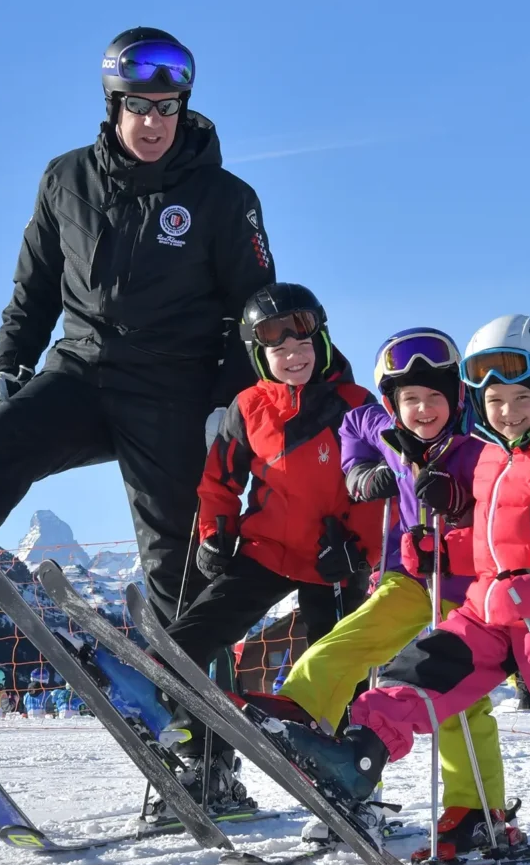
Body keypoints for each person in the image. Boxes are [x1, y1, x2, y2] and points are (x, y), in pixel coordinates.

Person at [0, 26, 276, 675]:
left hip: (174, 389)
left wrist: (228, 407)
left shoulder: (225, 200)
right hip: (79, 370)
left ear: (182, 109)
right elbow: (33, 292)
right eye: (138, 106)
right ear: (113, 103)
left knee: (178, 564)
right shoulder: (64, 179)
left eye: (166, 108)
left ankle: (199, 740)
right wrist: (6, 371)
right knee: (2, 443)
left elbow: (256, 316)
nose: (153, 122)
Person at [277, 314, 530, 865]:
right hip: (487, 611)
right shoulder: (494, 459)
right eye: (495, 400)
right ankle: (358, 758)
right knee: (418, 670)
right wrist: (428, 547)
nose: (508, 411)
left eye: (522, 397)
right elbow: (478, 544)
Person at [269, 327, 520, 857]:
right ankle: (296, 716)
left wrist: (460, 499)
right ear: (394, 403)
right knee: (351, 640)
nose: (424, 410)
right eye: (411, 400)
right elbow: (353, 427)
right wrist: (360, 473)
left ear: (456, 399)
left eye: (435, 398)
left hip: (469, 589)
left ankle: (476, 811)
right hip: (409, 580)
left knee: (455, 698)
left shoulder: (481, 453)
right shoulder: (382, 427)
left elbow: (507, 509)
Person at [142, 283, 384, 816]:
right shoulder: (248, 407)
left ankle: (347, 787)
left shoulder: (356, 406)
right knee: (195, 634)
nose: (293, 358)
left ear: (320, 341)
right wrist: (216, 532)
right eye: (279, 350)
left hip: (332, 561)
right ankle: (178, 724)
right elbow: (219, 481)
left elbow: (372, 487)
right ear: (260, 354)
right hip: (265, 548)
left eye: (302, 346)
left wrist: (360, 551)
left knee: (334, 673)